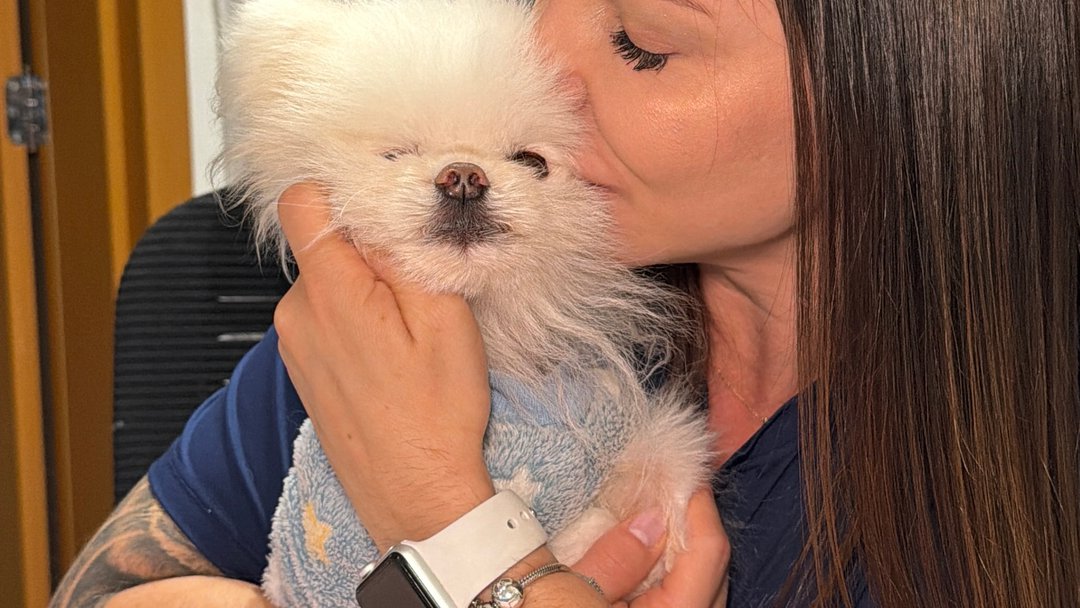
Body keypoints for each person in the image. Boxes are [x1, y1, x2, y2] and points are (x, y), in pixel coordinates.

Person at [51, 0, 1079, 606]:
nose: (543, 59)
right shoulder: (405, 310)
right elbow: (99, 588)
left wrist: (448, 523)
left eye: (639, 40)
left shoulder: (1014, 480)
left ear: (921, 83)